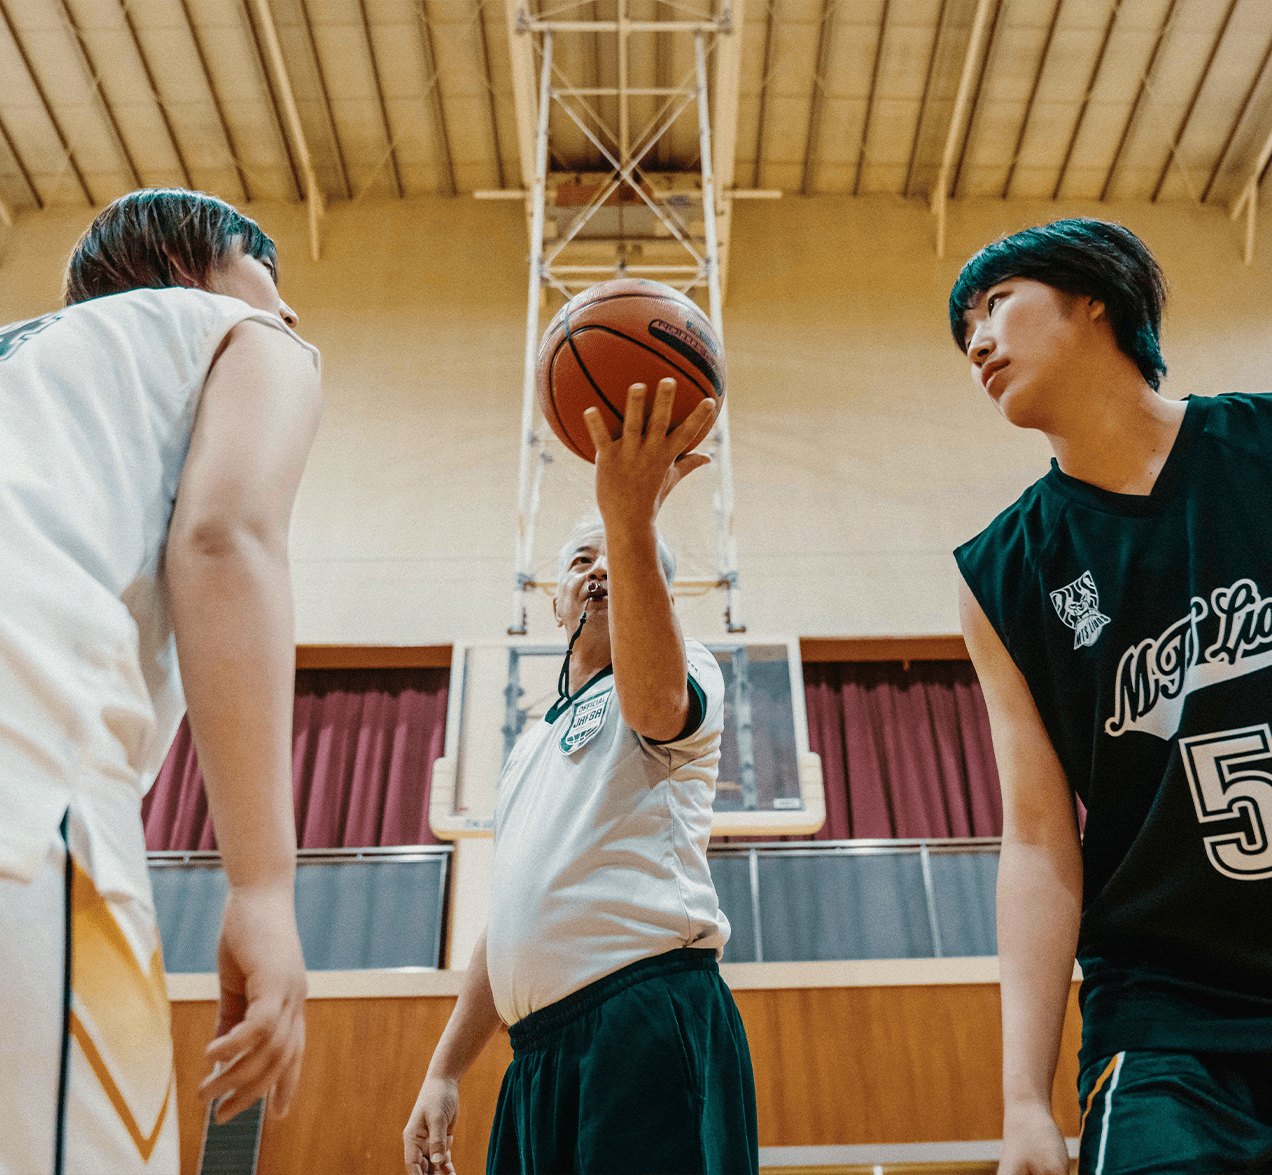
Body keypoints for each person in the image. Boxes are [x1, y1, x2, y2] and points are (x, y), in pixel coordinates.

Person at [0, 189, 322, 1174]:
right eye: (270, 276)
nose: (291, 311)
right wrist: (263, 888)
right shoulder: (239, 333)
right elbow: (225, 537)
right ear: (200, 269)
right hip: (28, 780)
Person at [950, 218, 1272, 1175]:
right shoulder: (1001, 572)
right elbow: (1040, 834)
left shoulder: (1258, 446)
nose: (976, 342)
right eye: (964, 327)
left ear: (1095, 293)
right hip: (1165, 1013)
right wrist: (1022, 1100)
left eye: (996, 303)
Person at [403, 379, 758, 1175]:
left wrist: (634, 520)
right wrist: (445, 1066)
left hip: (642, 1012)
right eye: (579, 561)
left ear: (658, 593)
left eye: (621, 560)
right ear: (555, 604)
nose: (599, 570)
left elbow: (658, 699)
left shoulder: (685, 666)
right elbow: (512, 921)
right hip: (539, 1052)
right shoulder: (530, 744)